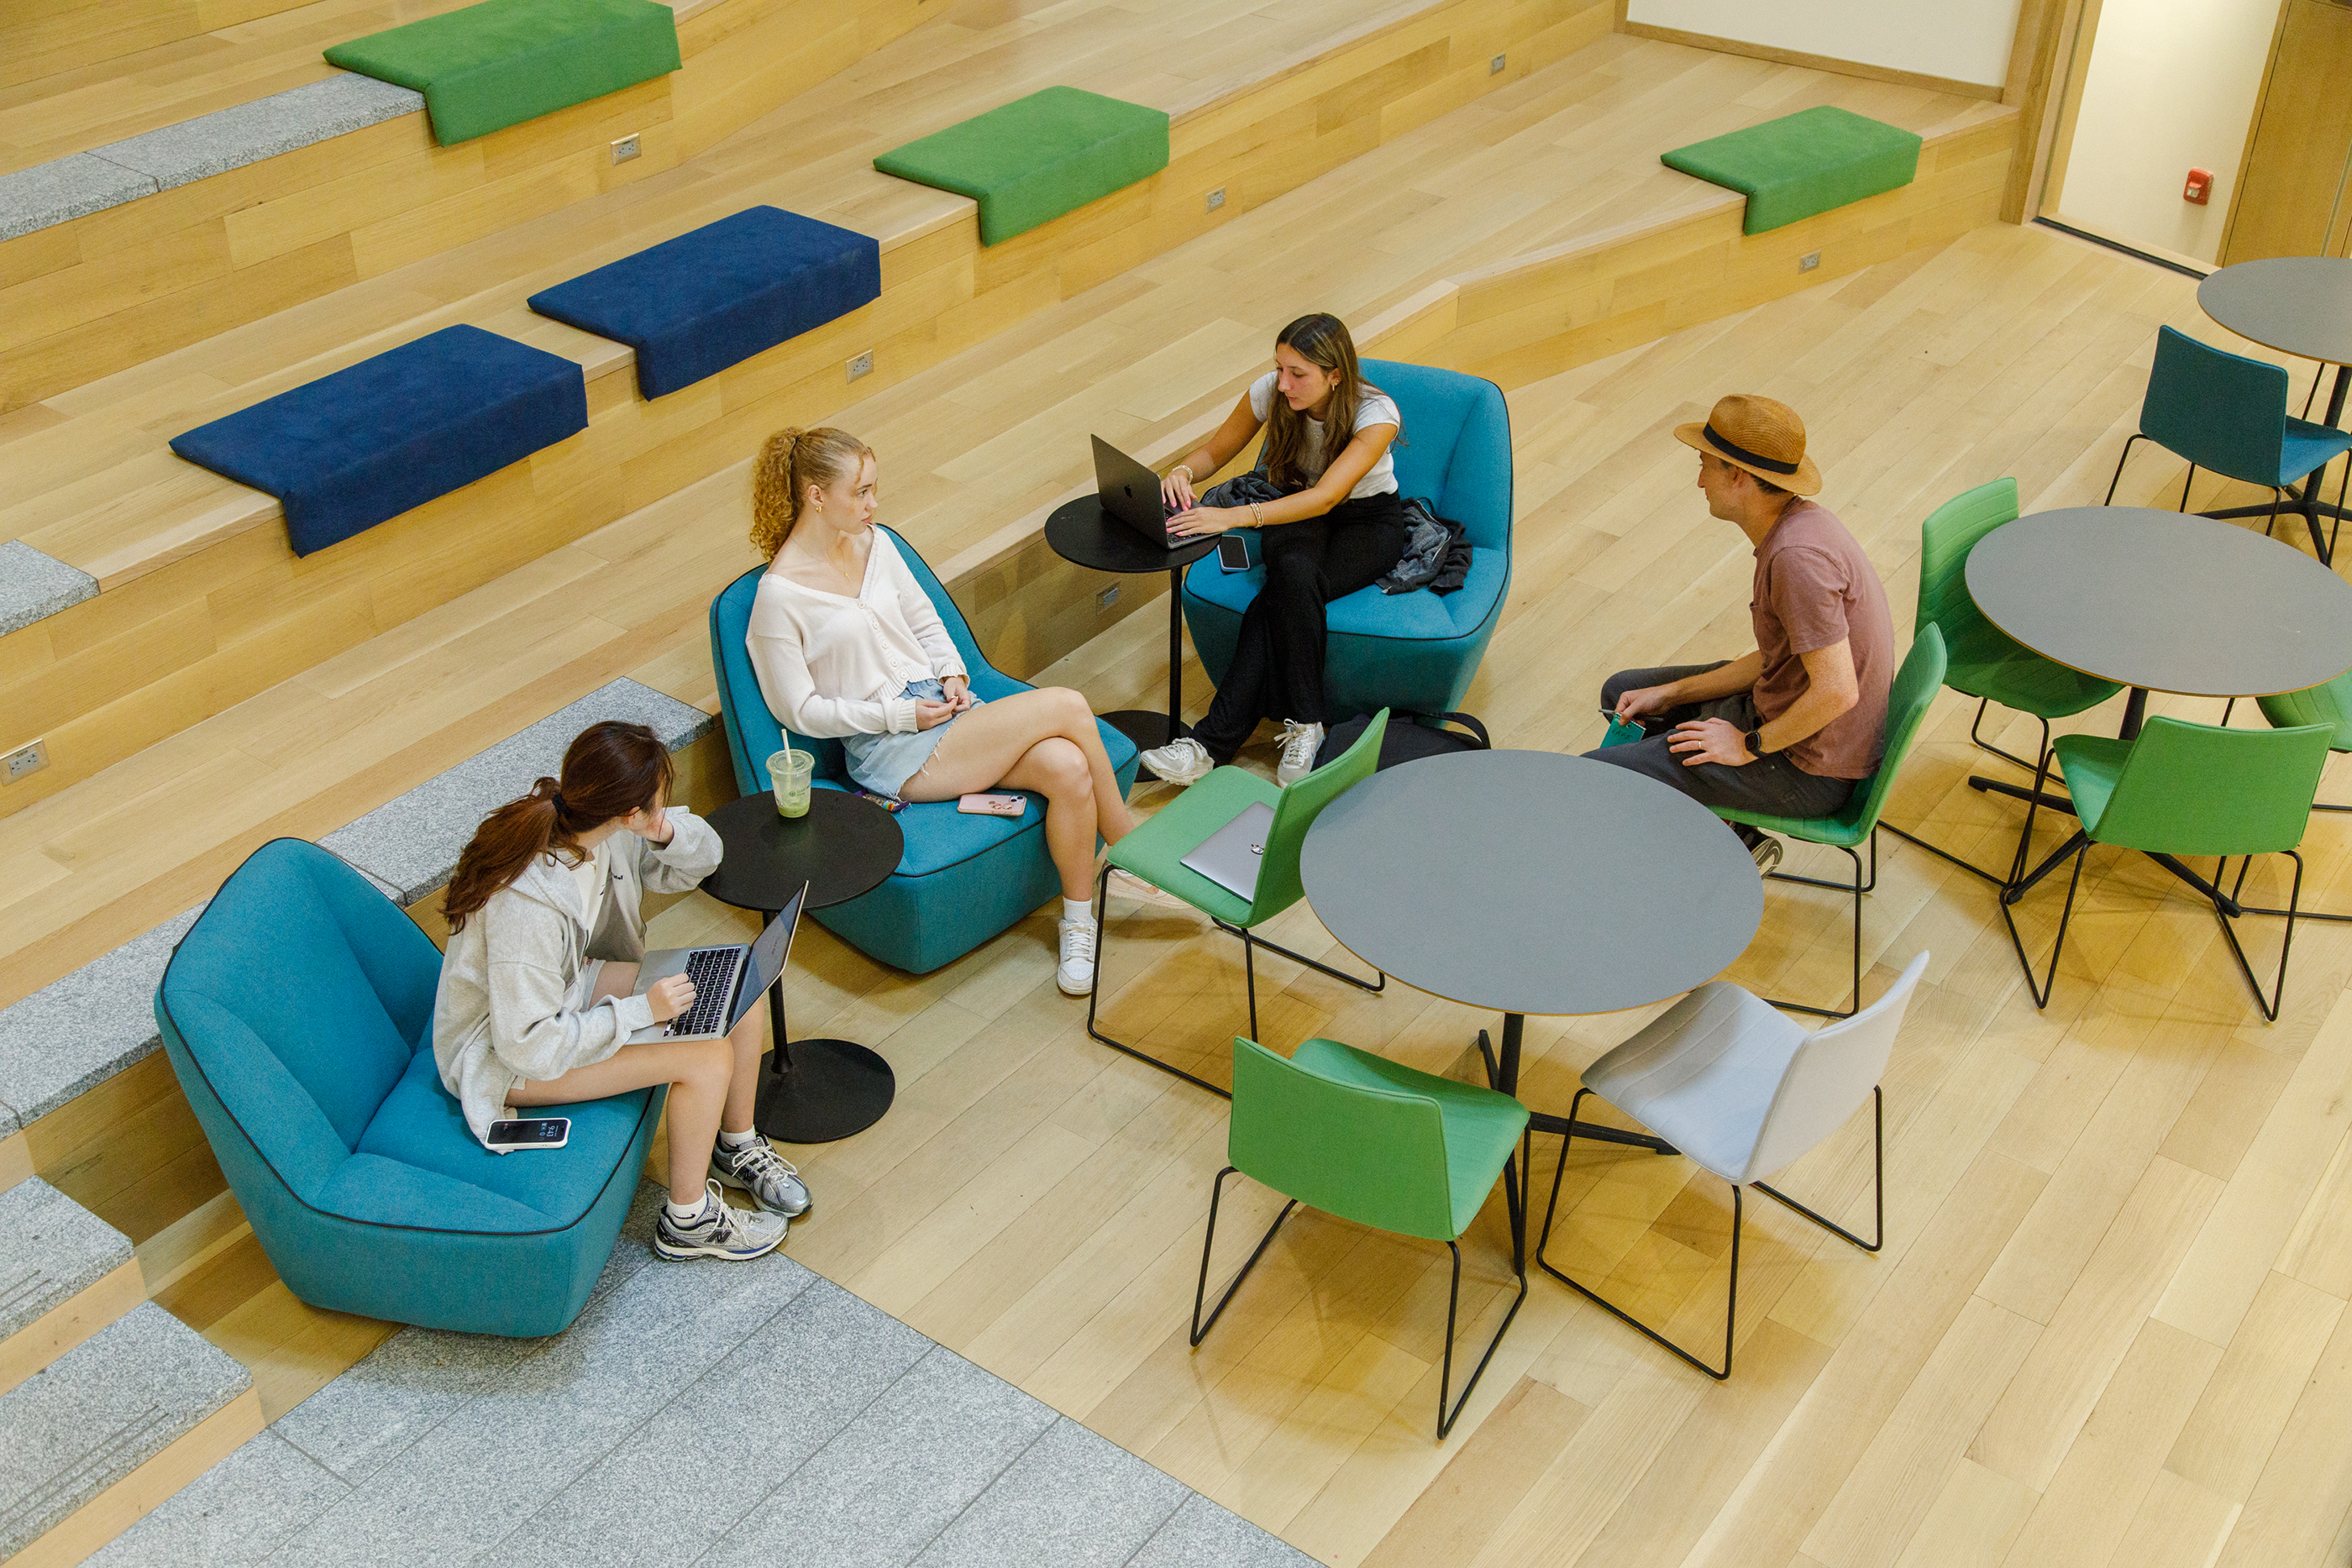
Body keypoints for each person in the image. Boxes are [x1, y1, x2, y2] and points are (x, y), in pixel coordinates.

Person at [743, 427, 1142, 996]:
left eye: (874, 488)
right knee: (1069, 705)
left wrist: (953, 674)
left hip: (946, 710)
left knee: (1068, 768)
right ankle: (1132, 851)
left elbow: (927, 621)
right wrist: (898, 718)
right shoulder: (780, 598)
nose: (873, 504)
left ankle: (1079, 923)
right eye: (861, 492)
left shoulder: (877, 544)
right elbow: (801, 711)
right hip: (892, 748)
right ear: (815, 496)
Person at [433, 720, 809, 1264]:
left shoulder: (600, 835)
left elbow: (705, 857)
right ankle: (689, 1220)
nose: (665, 809)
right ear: (626, 811)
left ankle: (736, 1144)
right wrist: (640, 1012)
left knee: (736, 987)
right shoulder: (527, 907)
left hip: (571, 990)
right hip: (504, 1055)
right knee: (706, 1058)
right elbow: (527, 1046)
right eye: (658, 804)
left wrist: (663, 831)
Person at [1588, 394, 1894, 874]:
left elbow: (1837, 691)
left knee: (1599, 772)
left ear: (1737, 476)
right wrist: (1670, 692)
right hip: (1793, 715)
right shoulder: (1799, 525)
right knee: (1627, 694)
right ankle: (1730, 835)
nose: (1699, 480)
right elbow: (1782, 656)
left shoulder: (1797, 560)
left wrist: (1747, 745)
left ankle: (1690, 857)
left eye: (1705, 465)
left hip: (1809, 766)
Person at [1137, 312, 1406, 789]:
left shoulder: (1376, 414)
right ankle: (1306, 723)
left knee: (1283, 594)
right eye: (1280, 368)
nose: (1283, 384)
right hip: (1294, 510)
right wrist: (1182, 471)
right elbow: (1216, 451)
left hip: (1368, 521)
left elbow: (1327, 497)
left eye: (1297, 374)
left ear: (1335, 374)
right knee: (1294, 581)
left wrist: (1231, 517)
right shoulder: (1272, 391)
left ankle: (1210, 746)